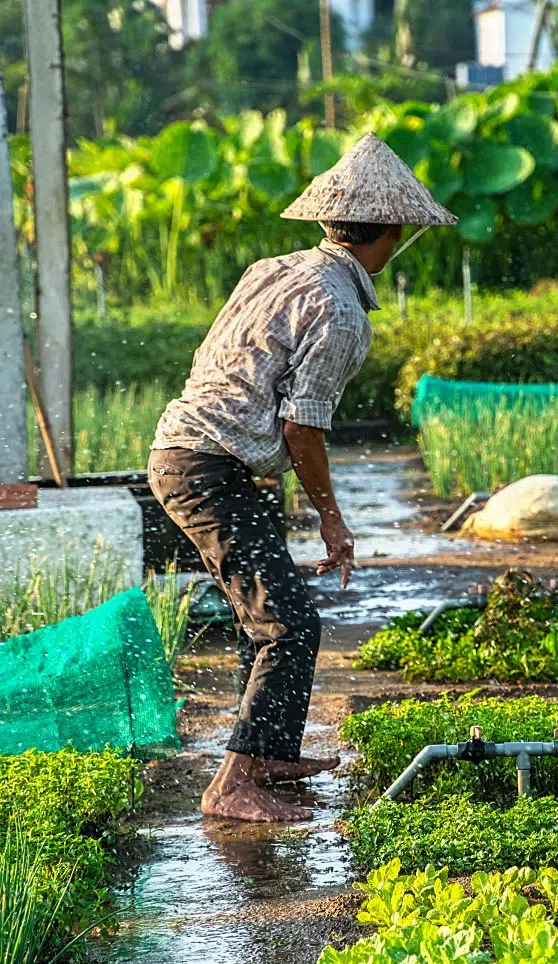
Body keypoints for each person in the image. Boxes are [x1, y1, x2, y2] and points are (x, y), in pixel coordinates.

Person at [147, 133, 456, 822]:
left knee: (268, 617)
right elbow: (301, 429)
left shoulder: (272, 268)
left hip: (195, 453)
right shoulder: (342, 311)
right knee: (288, 626)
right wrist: (332, 517)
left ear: (329, 222)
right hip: (206, 467)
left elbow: (231, 368)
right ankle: (232, 787)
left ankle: (271, 754)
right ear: (393, 232)